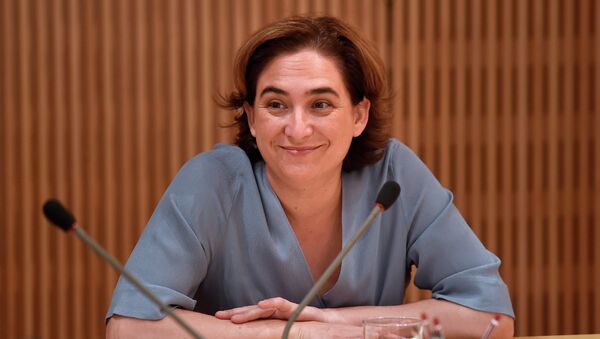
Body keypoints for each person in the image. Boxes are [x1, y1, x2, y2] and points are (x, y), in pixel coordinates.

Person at [106, 15, 514, 338]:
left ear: (359, 115)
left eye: (320, 104)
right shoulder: (212, 182)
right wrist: (295, 334)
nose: (297, 129)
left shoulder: (394, 175)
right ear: (250, 117)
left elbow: (490, 317)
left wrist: (336, 324)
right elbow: (129, 327)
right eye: (276, 105)